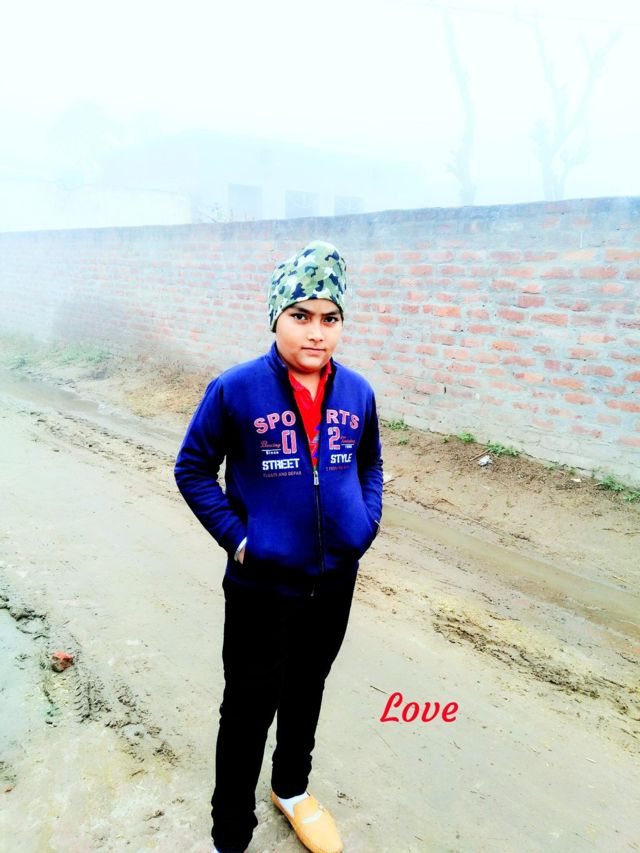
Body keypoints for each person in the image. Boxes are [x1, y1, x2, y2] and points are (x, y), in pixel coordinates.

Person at [174, 240, 384, 853]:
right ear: (276, 317)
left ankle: (291, 789)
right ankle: (230, 833)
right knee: (247, 707)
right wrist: (240, 540)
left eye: (330, 318)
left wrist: (364, 524)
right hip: (261, 585)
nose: (316, 332)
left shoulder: (358, 393)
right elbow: (193, 469)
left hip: (334, 581)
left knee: (307, 687)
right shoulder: (236, 389)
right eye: (301, 315)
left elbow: (370, 464)